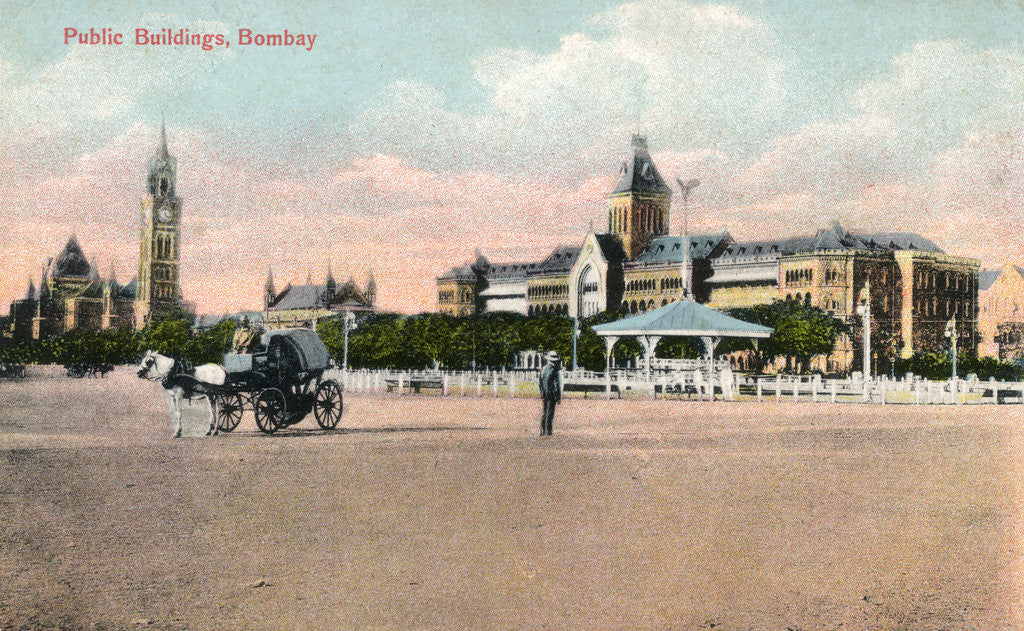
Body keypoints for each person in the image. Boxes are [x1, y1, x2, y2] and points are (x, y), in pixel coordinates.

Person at [538, 350, 562, 436]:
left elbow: (540, 383)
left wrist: (542, 393)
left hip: (544, 394)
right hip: (552, 395)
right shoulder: (554, 370)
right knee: (550, 413)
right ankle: (548, 431)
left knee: (544, 413)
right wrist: (558, 397)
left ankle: (542, 431)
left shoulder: (543, 369)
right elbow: (556, 385)